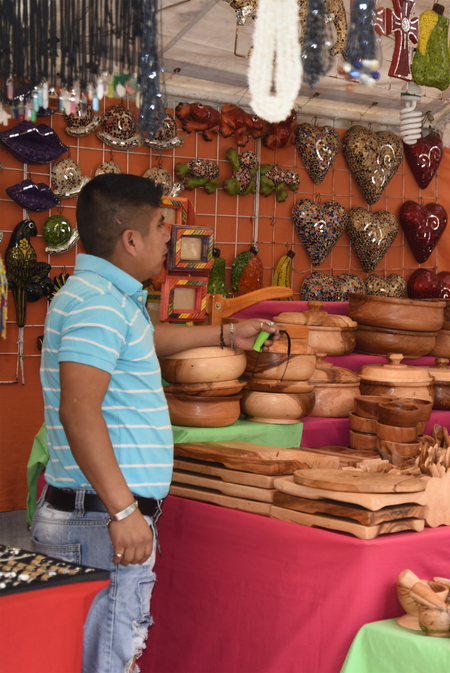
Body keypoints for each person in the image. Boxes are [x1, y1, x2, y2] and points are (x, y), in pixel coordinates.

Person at [29, 174, 278, 673]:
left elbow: (147, 341)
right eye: (162, 224)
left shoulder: (107, 297)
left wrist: (229, 335)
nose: (170, 235)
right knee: (108, 662)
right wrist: (123, 513)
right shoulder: (98, 304)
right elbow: (79, 411)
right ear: (130, 239)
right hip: (100, 520)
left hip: (99, 516)